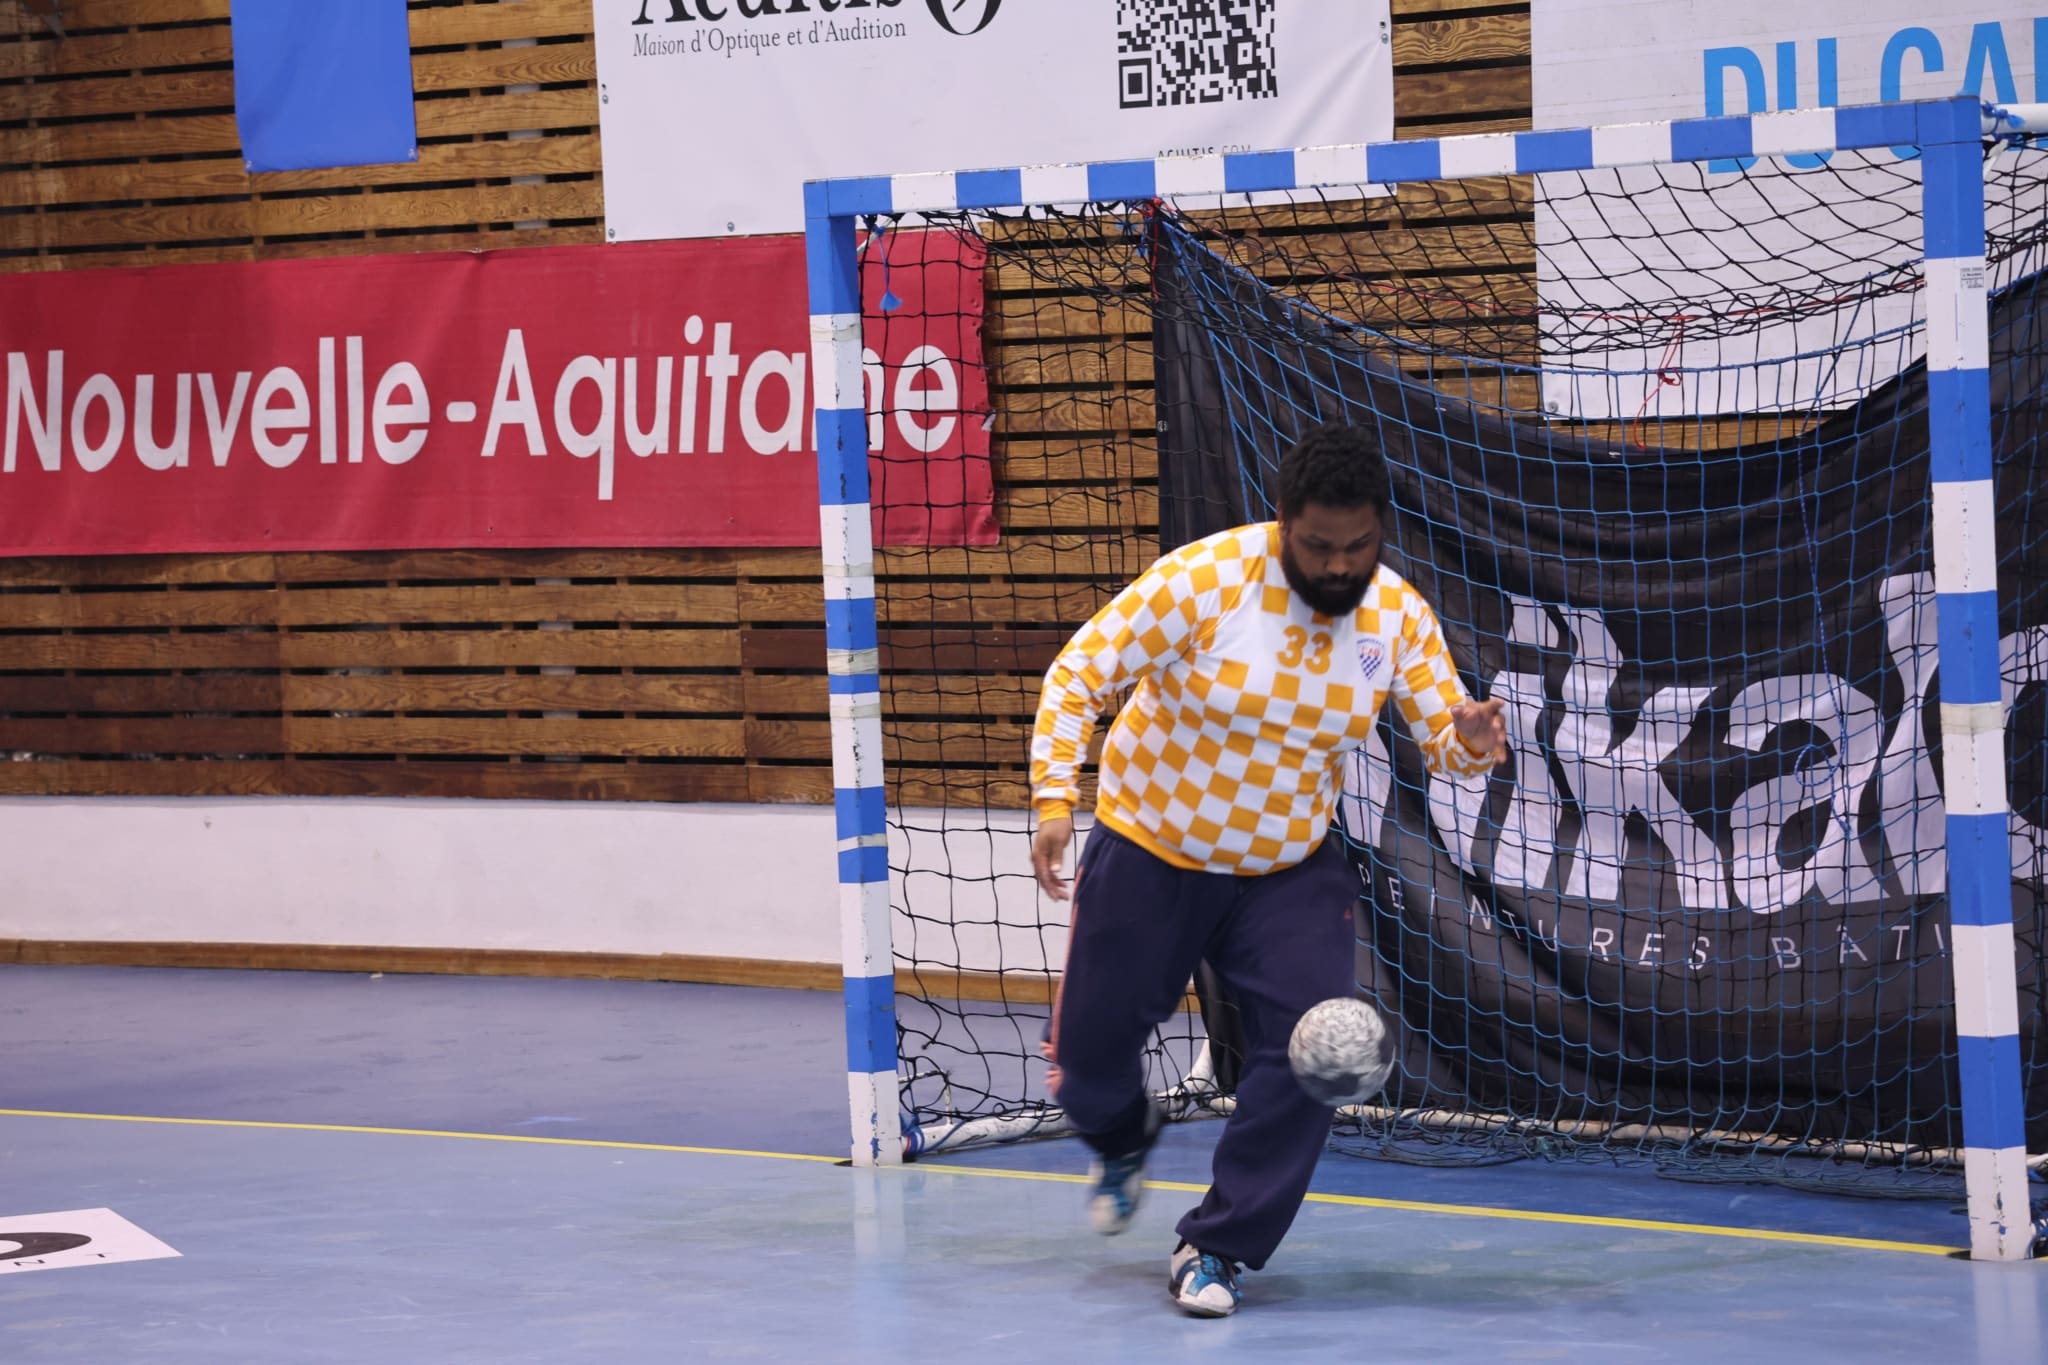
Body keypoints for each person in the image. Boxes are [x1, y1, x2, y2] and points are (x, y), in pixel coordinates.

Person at [1027, 421, 1508, 1318]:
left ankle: (1219, 1244)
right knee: (1089, 1066)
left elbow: (1448, 740)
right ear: (1283, 520)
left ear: (1380, 529)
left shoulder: (1396, 614)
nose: (1339, 564)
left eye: (1358, 545)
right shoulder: (1205, 580)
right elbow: (1078, 673)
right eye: (1319, 545)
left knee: (1318, 1053)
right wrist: (1056, 798)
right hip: (1151, 849)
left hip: (1287, 866)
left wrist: (1472, 742)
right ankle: (1122, 1137)